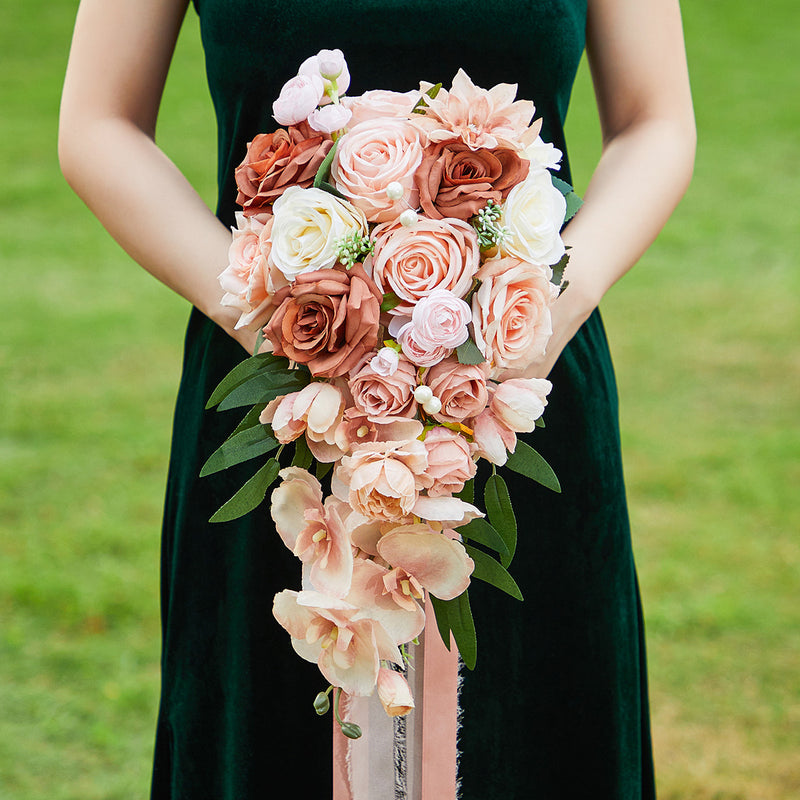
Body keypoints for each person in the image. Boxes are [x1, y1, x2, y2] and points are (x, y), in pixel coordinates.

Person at [59, 1, 696, 798]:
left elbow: (654, 121)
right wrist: (287, 330)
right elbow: (99, 123)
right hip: (281, 409)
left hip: (518, 394)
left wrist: (544, 312)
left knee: (531, 738)